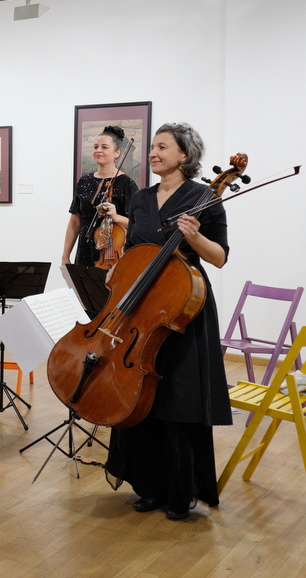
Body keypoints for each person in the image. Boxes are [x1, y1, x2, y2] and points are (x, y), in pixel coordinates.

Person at [103, 122, 232, 521]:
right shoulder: (141, 199)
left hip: (182, 309)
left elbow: (219, 256)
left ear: (184, 155)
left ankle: (181, 490)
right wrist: (119, 268)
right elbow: (136, 247)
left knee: (178, 399)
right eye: (153, 147)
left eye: (163, 147)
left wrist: (194, 238)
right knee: (140, 394)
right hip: (141, 308)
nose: (153, 153)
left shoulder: (205, 197)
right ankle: (149, 485)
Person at [62, 125, 138, 268]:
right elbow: (75, 222)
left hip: (112, 255)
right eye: (96, 147)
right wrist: (65, 256)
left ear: (117, 153)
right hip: (84, 252)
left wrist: (116, 217)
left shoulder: (126, 183)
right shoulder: (84, 181)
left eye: (104, 147)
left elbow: (137, 224)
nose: (98, 150)